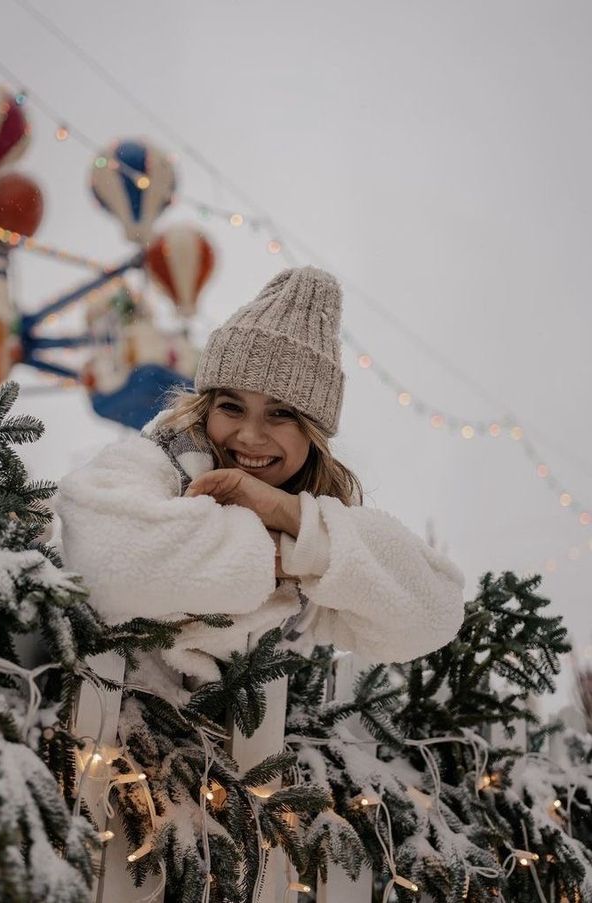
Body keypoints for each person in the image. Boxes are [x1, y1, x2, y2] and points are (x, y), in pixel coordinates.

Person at [57, 266, 465, 682]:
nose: (250, 436)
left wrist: (291, 520)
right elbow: (106, 566)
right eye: (231, 407)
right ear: (206, 407)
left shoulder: (315, 554)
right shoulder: (159, 459)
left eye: (281, 415)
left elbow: (436, 613)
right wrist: (276, 554)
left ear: (313, 435)